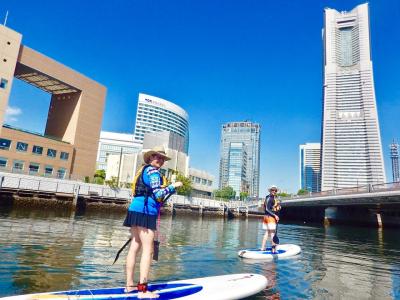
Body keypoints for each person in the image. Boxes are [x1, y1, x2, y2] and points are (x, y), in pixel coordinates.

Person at [123, 146, 182, 298]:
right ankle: (142, 291)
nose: (160, 160)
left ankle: (129, 286)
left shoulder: (143, 170)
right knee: (148, 250)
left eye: (162, 158)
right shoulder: (153, 172)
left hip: (135, 209)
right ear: (150, 158)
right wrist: (172, 186)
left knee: (134, 247)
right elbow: (158, 194)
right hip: (145, 211)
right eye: (157, 157)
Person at [261, 185, 281, 253]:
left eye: (275, 190)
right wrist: (275, 215)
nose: (274, 191)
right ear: (270, 190)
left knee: (267, 233)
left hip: (266, 217)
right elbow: (267, 209)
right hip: (270, 218)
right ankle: (273, 250)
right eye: (273, 190)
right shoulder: (270, 198)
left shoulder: (267, 197)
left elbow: (265, 208)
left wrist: (276, 208)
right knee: (272, 233)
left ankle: (262, 248)